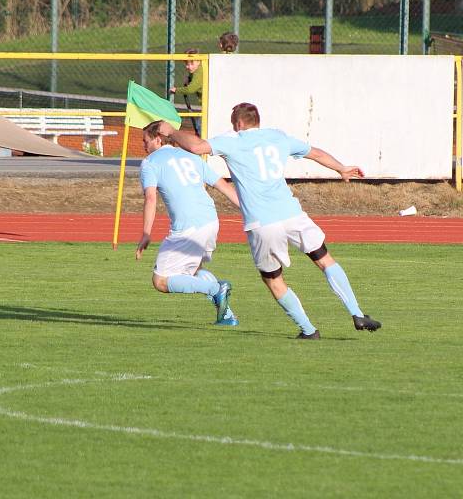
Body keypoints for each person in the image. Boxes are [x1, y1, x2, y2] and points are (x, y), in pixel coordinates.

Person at [158, 103, 381, 339]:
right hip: (292, 214)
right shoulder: (278, 137)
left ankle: (308, 330)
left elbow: (196, 146)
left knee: (274, 279)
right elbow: (315, 152)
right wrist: (342, 169)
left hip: (262, 223)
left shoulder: (232, 139)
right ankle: (357, 313)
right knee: (324, 259)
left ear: (239, 123)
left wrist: (171, 131)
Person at [136, 121, 241, 326]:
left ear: (158, 139)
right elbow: (223, 186)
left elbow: (150, 199)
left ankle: (215, 289)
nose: (144, 146)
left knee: (161, 281)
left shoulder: (150, 163)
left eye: (145, 141)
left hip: (188, 228)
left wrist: (146, 233)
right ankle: (226, 315)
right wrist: (250, 211)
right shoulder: (191, 157)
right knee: (192, 273)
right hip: (211, 221)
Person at [169, 48, 203, 135]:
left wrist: (177, 90)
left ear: (199, 61)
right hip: (205, 104)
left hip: (210, 105)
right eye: (187, 64)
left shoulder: (199, 72)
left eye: (192, 63)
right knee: (200, 127)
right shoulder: (196, 71)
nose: (189, 66)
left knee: (200, 127)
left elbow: (191, 89)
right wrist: (188, 78)